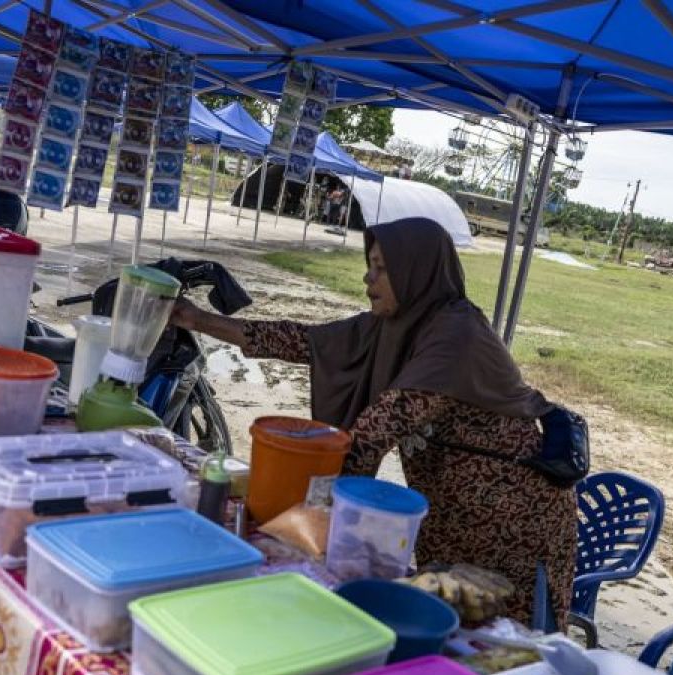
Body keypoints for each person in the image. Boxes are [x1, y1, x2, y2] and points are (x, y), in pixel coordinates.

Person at [171, 216, 578, 623]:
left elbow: (370, 436)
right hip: (450, 510)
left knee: (498, 637)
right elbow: (303, 340)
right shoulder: (399, 325)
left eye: (382, 268)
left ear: (416, 269)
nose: (369, 278)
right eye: (371, 265)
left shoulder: (456, 338)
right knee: (450, 618)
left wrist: (296, 515)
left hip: (510, 520)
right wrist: (199, 320)